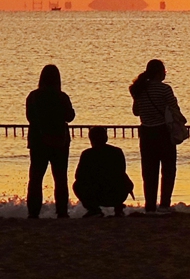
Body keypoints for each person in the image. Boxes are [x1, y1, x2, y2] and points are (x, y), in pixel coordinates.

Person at [130, 59, 181, 214]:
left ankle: (150, 205)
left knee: (149, 171)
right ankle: (164, 204)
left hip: (146, 133)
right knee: (168, 169)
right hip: (163, 132)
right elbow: (174, 109)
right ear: (159, 72)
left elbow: (136, 112)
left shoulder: (139, 89)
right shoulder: (165, 89)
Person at [26, 65, 76, 218]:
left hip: (38, 141)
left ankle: (33, 213)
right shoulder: (61, 96)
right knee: (60, 177)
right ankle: (61, 212)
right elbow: (70, 116)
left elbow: (30, 117)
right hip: (60, 141)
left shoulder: (33, 96)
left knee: (35, 177)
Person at [72, 127, 134, 217]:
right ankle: (118, 207)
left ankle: (94, 209)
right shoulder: (117, 152)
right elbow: (121, 171)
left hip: (95, 193)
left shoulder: (87, 154)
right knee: (122, 180)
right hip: (116, 193)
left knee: (77, 185)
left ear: (90, 139)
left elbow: (78, 176)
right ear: (106, 138)